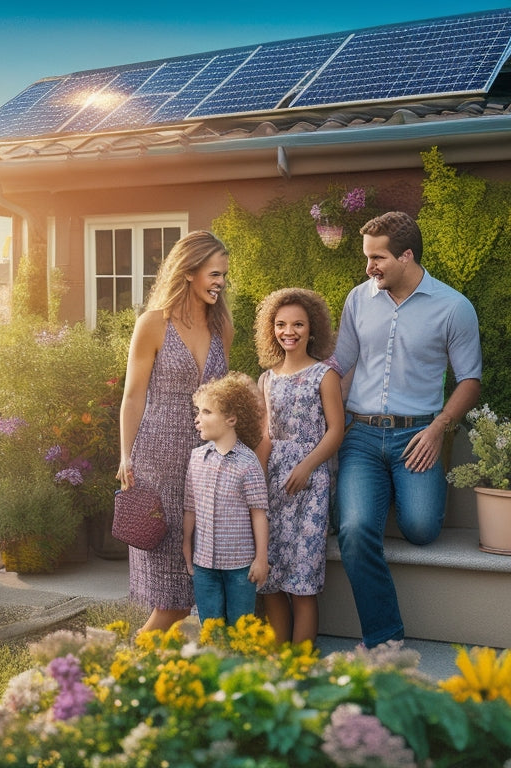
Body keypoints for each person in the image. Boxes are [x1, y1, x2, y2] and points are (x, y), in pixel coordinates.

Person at [332, 211, 482, 648]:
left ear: (407, 255)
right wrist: (328, 428)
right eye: (367, 258)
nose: (368, 268)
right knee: (356, 530)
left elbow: (470, 379)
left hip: (418, 436)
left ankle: (401, 489)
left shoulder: (454, 307)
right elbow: (341, 368)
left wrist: (438, 429)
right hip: (360, 437)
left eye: (377, 258)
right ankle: (385, 641)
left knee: (420, 528)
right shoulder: (358, 300)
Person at [117, 230, 234, 633]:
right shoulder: (153, 324)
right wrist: (125, 455)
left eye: (223, 276)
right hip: (158, 458)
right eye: (214, 273)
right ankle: (130, 667)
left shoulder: (223, 327)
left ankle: (147, 669)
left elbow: (223, 397)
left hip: (207, 462)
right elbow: (133, 396)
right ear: (188, 271)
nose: (220, 282)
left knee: (196, 581)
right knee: (172, 595)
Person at [254, 288, 345, 645]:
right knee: (271, 579)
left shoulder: (325, 375)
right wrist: (256, 483)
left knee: (303, 583)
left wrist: (307, 466)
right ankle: (279, 662)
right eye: (280, 324)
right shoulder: (267, 378)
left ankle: (301, 664)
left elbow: (336, 431)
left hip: (310, 485)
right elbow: (264, 436)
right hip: (274, 483)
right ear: (271, 329)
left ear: (312, 329)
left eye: (297, 324)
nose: (288, 331)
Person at [182, 372, 270, 626]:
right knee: (211, 630)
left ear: (231, 419)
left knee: (241, 630)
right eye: (198, 411)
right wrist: (187, 544)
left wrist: (261, 558)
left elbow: (258, 512)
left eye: (207, 412)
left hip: (240, 567)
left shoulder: (248, 463)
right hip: (204, 565)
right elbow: (190, 507)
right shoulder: (196, 459)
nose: (198, 419)